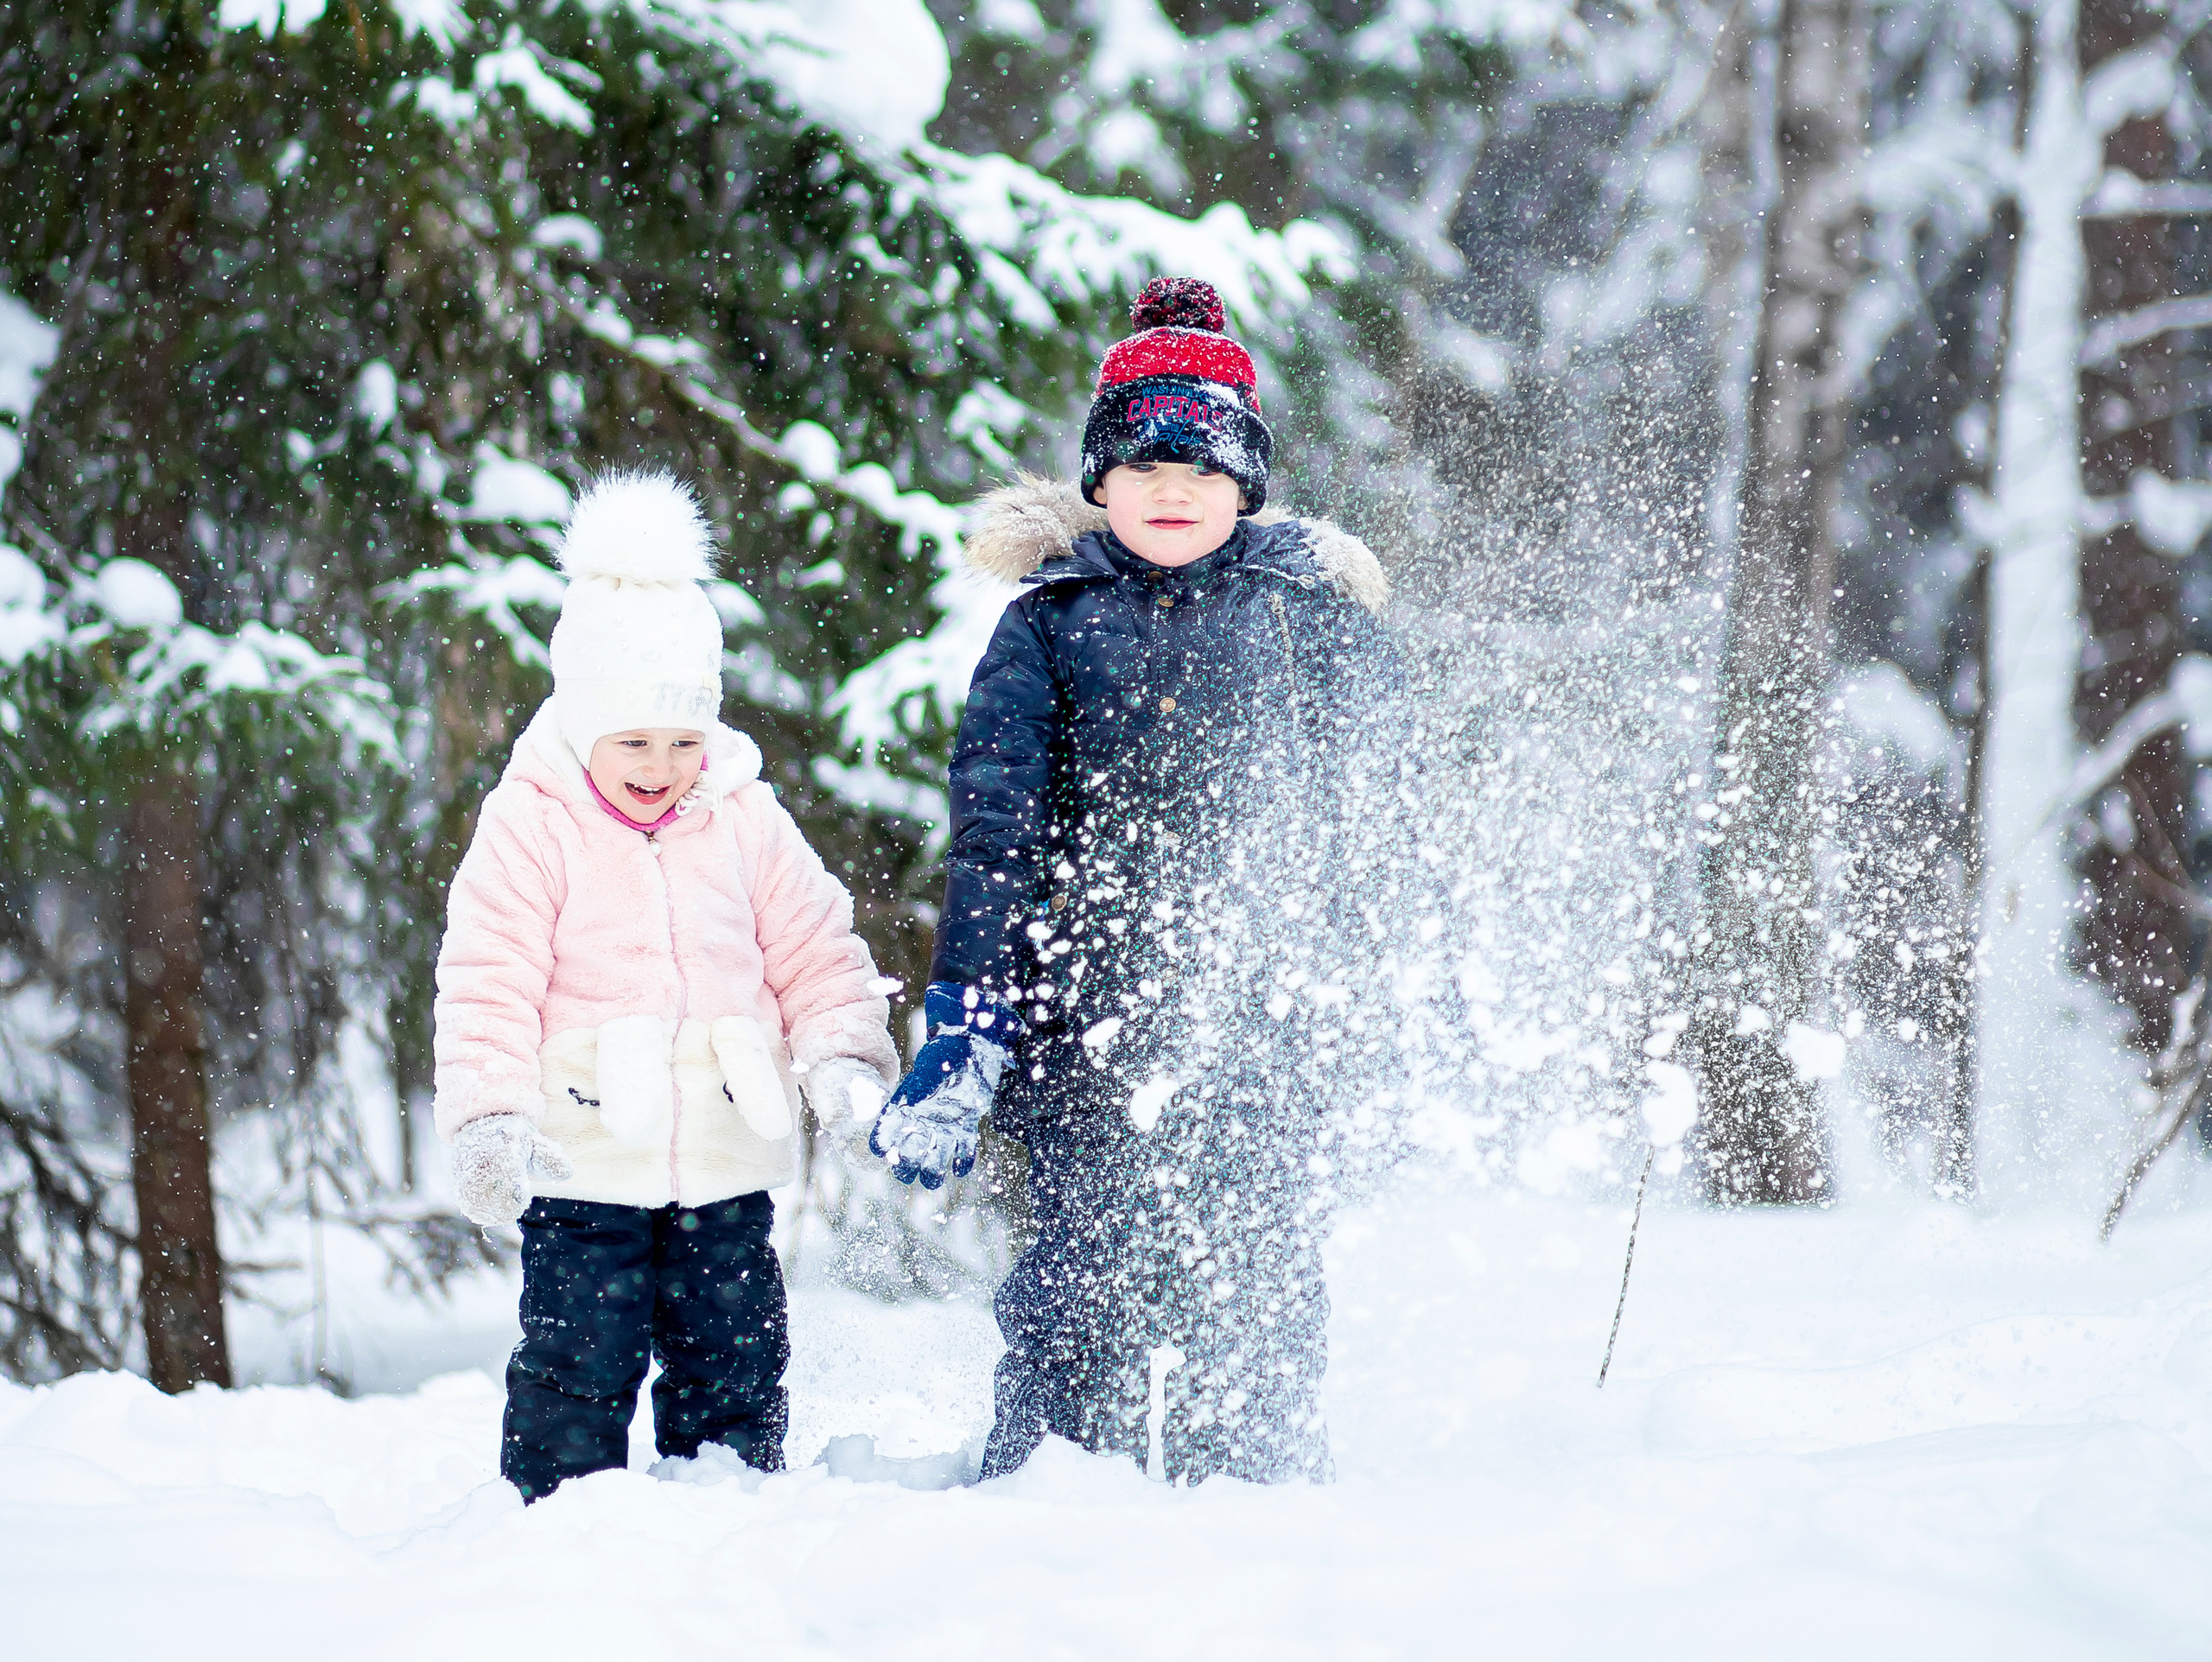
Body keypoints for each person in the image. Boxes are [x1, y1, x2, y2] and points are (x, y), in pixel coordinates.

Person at [871, 277, 1402, 1484]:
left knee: (1253, 1264)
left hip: (1259, 1015)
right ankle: (1051, 1478)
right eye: (1147, 464)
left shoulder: (1303, 618)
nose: (1176, 489)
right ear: (1098, 482)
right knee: (1073, 1271)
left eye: (1206, 468)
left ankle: (1254, 1483)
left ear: (1248, 487)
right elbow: (995, 836)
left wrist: (1373, 986)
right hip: (1081, 1021)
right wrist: (967, 1019)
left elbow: (1373, 815)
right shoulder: (1048, 624)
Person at [432, 471, 899, 1501]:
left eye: (685, 739)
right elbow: (487, 979)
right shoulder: (533, 822)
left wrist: (844, 1053)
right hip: (582, 1160)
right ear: (580, 720)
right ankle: (558, 1520)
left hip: (726, 1160)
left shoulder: (744, 816)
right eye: (634, 740)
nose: (661, 764)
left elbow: (815, 946)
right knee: (574, 1367)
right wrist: (488, 1116)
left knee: (734, 1357)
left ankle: (727, 1503)